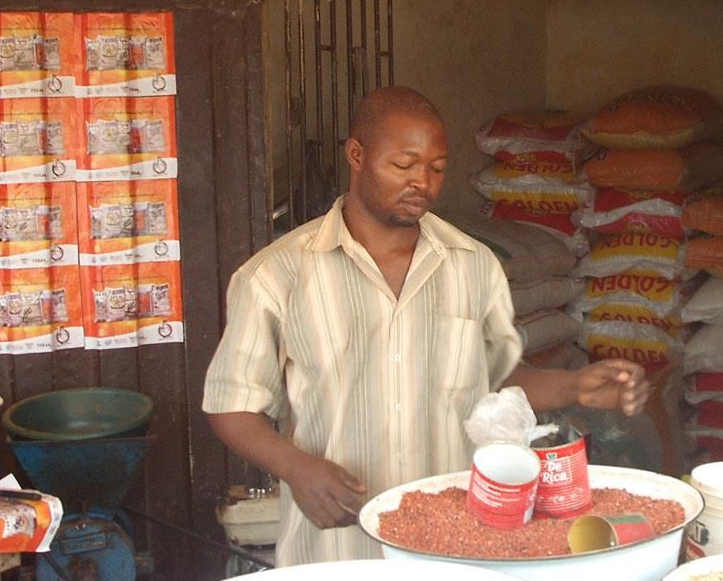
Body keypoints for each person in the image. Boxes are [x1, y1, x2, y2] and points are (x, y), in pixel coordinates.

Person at [202, 87, 649, 566]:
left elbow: (493, 381)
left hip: (454, 545)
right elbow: (231, 406)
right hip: (336, 548)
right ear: (357, 155)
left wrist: (573, 386)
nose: (423, 182)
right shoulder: (276, 275)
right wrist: (296, 468)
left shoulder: (472, 265)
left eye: (437, 167)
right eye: (404, 165)